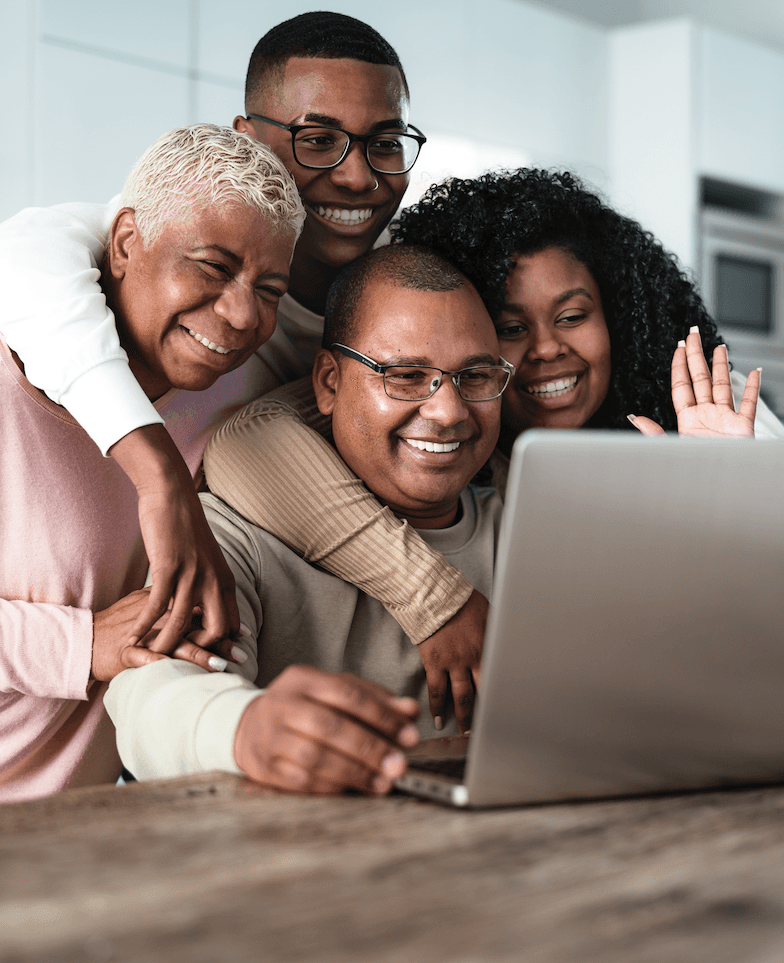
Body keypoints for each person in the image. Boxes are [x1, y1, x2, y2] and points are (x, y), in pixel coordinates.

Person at [0, 13, 483, 697]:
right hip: (184, 687)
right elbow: (12, 253)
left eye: (385, 143)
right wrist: (160, 476)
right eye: (317, 140)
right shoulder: (161, 248)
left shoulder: (409, 301)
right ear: (248, 138)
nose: (357, 177)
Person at [0, 126, 303, 815]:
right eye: (212, 267)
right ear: (128, 243)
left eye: (269, 287)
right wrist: (82, 644)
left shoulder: (232, 385)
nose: (241, 314)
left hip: (71, 830)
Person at [200, 169, 784, 734]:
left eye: (574, 316)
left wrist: (718, 512)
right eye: (510, 327)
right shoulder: (474, 463)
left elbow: (711, 668)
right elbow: (248, 440)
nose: (546, 349)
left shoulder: (700, 408)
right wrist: (436, 600)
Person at [105, 245, 510, 794]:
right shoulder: (227, 535)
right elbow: (150, 694)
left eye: (476, 376)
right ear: (328, 384)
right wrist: (243, 729)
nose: (448, 411)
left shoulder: (529, 527)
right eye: (406, 376)